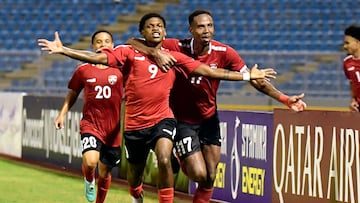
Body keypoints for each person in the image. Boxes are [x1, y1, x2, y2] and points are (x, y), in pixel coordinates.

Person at [38, 13, 276, 203]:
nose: (156, 28)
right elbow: (99, 58)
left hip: (163, 119)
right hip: (134, 125)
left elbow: (208, 71)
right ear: (143, 32)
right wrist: (65, 50)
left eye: (160, 25)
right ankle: (135, 191)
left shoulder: (174, 56)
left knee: (164, 157)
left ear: (165, 31)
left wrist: (246, 76)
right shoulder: (129, 52)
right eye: (150, 25)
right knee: (134, 174)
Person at [127, 9, 307, 203]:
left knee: (210, 178)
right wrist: (155, 52)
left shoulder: (225, 52)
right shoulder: (175, 46)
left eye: (210, 26)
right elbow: (133, 42)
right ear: (191, 30)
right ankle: (179, 156)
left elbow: (256, 79)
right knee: (198, 174)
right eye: (201, 26)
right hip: (182, 120)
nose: (207, 30)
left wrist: (285, 99)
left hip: (209, 119)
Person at [54, 30, 123, 203]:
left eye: (107, 41)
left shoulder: (121, 69)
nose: (103, 45)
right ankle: (89, 178)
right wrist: (61, 114)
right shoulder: (83, 69)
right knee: (91, 162)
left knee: (106, 172)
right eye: (99, 42)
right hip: (91, 124)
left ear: (113, 45)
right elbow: (73, 93)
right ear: (93, 46)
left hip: (113, 129)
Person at [343, 24, 360, 112]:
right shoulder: (347, 62)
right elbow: (352, 83)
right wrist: (353, 100)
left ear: (358, 43)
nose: (345, 46)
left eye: (347, 43)